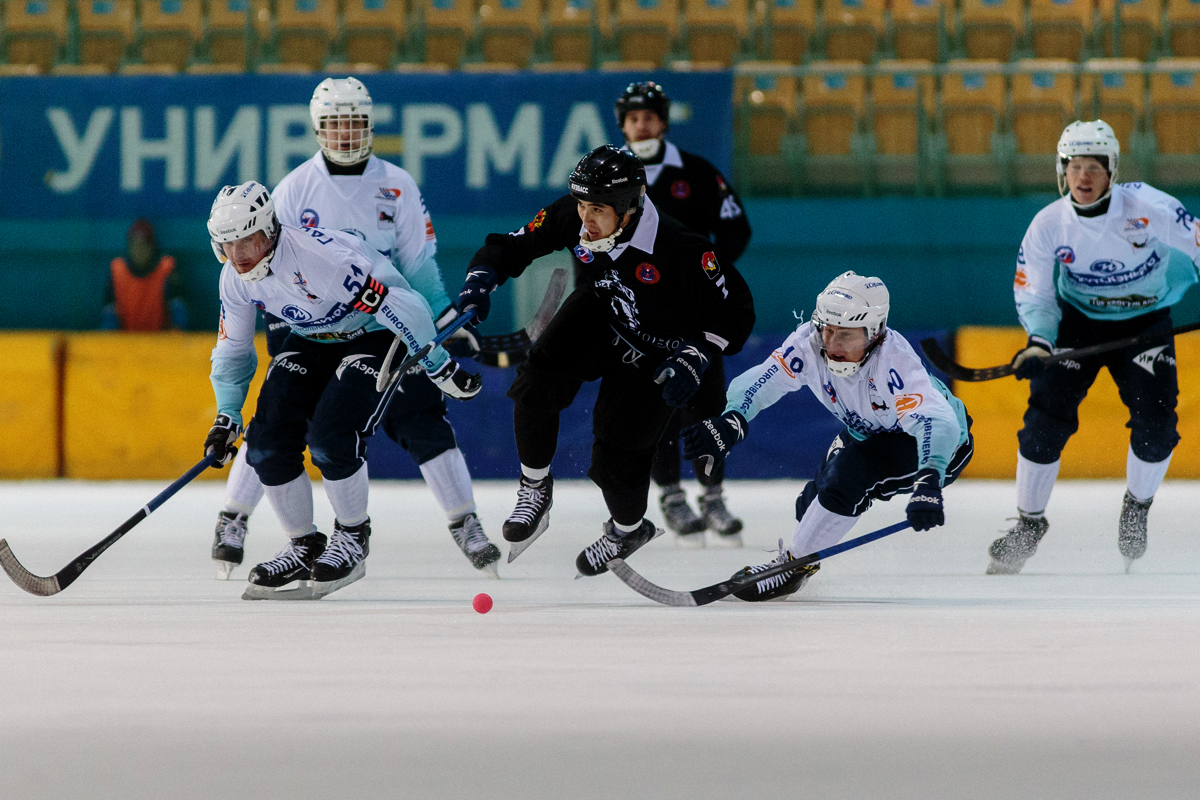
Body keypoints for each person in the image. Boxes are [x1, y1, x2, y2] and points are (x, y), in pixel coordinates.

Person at [210, 77, 501, 582]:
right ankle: (271, 530)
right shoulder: (292, 190)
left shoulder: (394, 188)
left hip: (379, 325)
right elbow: (244, 331)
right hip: (303, 327)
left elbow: (416, 269)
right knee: (271, 429)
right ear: (317, 128)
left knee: (389, 425)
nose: (344, 135)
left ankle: (448, 523)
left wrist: (435, 337)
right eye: (334, 124)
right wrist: (226, 414)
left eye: (354, 123)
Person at [455, 144, 755, 576]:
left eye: (597, 209)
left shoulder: (680, 247)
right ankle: (535, 487)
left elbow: (737, 309)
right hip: (603, 311)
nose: (585, 220)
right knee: (536, 380)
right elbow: (512, 246)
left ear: (629, 208)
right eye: (580, 205)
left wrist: (696, 354)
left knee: (616, 460)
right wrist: (481, 279)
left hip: (658, 351)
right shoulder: (576, 215)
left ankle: (627, 530)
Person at [987, 120, 1200, 575]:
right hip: (1078, 328)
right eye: (1074, 167)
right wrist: (1039, 342)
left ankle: (1137, 508)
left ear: (1113, 171)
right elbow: (1036, 293)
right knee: (1044, 425)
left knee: (1157, 425)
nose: (1083, 178)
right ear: (1061, 171)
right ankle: (1028, 524)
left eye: (1094, 168)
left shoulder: (1150, 206)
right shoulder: (1047, 224)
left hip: (1145, 326)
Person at [681, 271, 974, 601]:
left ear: (875, 332)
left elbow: (937, 423)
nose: (831, 345)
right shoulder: (810, 342)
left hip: (933, 444)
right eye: (827, 330)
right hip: (865, 432)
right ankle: (801, 561)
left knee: (847, 477)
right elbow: (764, 379)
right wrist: (732, 420)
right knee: (810, 505)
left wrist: (929, 479)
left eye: (845, 335)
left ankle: (791, 568)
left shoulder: (895, 362)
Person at [616, 81, 753, 548]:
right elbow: (585, 243)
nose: (642, 125)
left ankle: (712, 496)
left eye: (649, 117)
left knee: (707, 403)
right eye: (634, 119)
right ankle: (672, 497)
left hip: (698, 314)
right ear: (623, 125)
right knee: (657, 409)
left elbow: (736, 226)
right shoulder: (607, 174)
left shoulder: (694, 172)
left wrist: (709, 271)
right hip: (638, 317)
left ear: (663, 122)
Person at [101, 218, 187, 331]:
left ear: (152, 247)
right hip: (125, 343)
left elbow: (178, 313)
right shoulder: (117, 270)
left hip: (161, 343)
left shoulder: (166, 269)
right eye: (134, 244)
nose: (139, 250)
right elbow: (109, 315)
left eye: (143, 244)